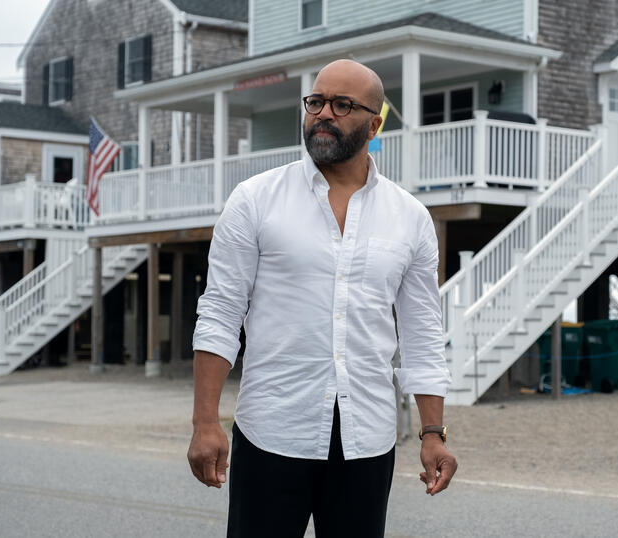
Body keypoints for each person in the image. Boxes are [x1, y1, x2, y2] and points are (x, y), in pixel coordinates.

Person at [188, 59, 457, 538]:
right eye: (316, 102)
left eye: (342, 105)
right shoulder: (254, 200)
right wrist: (205, 422)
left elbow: (421, 333)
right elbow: (220, 314)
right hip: (272, 433)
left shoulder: (410, 217)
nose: (323, 114)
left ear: (375, 123)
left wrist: (433, 434)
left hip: (366, 443)